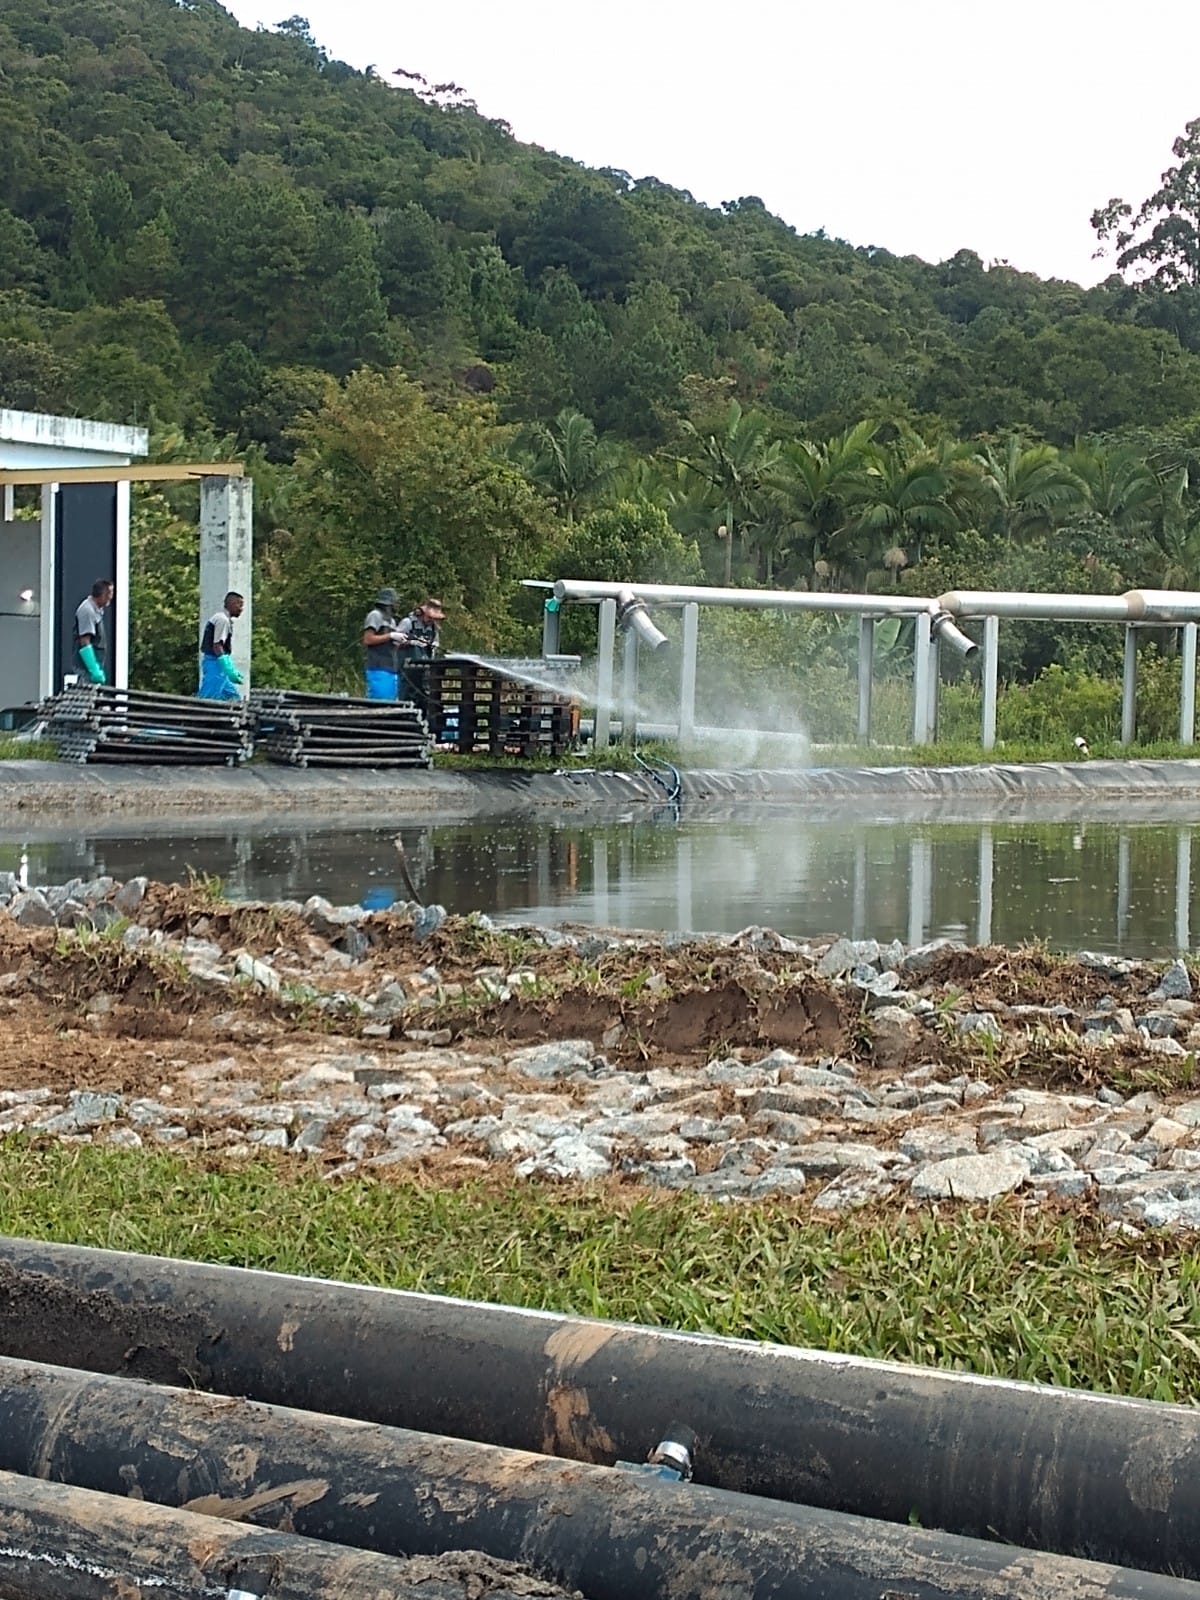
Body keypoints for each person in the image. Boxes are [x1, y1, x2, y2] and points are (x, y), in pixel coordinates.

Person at [395, 596, 446, 710]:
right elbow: (394, 642)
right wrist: (411, 642)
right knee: (406, 696)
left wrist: (433, 646)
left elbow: (435, 644)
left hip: (424, 671)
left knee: (423, 697)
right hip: (406, 669)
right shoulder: (408, 623)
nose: (431, 620)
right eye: (429, 617)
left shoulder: (433, 629)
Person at [198, 591, 246, 700]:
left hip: (219, 664)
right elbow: (217, 645)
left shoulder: (223, 619)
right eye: (240, 605)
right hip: (215, 663)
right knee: (208, 696)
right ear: (232, 604)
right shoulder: (222, 620)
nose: (241, 609)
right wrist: (227, 665)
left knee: (232, 697)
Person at [362, 586, 401, 700]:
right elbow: (368, 639)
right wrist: (390, 636)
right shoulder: (375, 615)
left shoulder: (392, 621)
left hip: (391, 666)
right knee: (379, 700)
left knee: (390, 701)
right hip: (378, 667)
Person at [73, 578, 113, 686]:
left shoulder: (97, 610)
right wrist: (94, 669)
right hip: (85, 672)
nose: (111, 597)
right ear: (103, 594)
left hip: (92, 668)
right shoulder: (87, 610)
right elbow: (84, 641)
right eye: (110, 593)